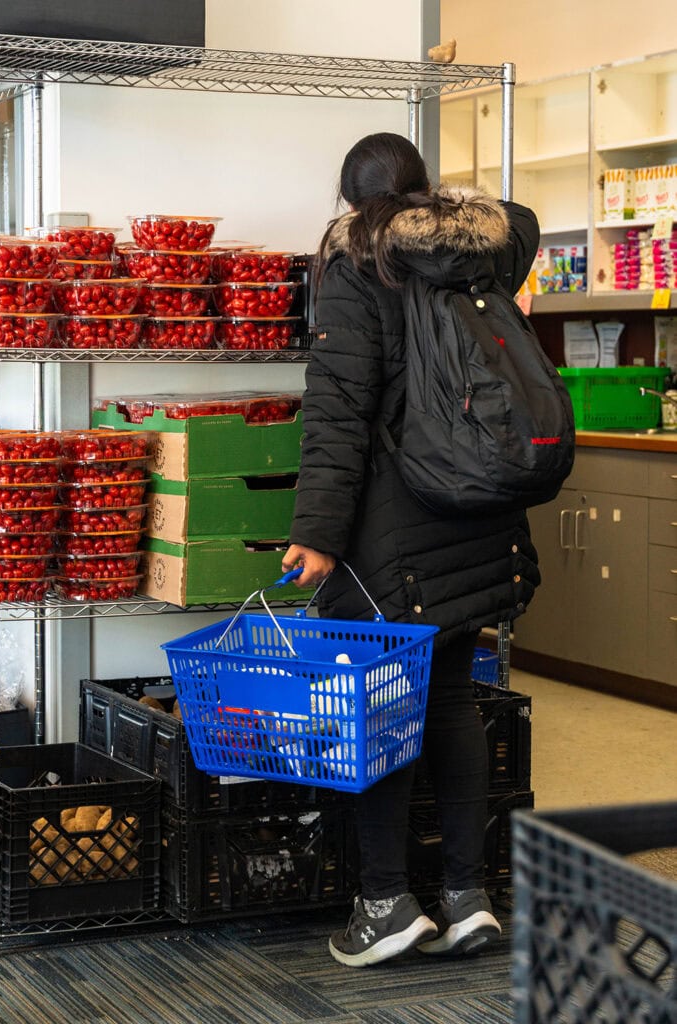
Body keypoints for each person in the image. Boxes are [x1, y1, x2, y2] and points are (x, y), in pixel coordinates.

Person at [281, 131, 541, 969]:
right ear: (424, 191)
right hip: (478, 512)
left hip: (393, 526)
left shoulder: (357, 267)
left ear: (353, 201)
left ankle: (386, 904)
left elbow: (338, 412)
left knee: (378, 712)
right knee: (453, 701)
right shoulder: (483, 257)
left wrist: (317, 535)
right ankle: (467, 900)